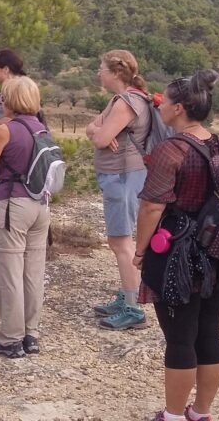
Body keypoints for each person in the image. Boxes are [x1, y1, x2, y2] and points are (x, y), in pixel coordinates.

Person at [133, 71, 219, 421]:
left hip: (176, 253)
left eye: (164, 101)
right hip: (218, 250)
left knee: (180, 339)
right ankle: (201, 412)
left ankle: (173, 415)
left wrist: (140, 250)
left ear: (179, 108)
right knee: (209, 334)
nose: (160, 106)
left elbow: (152, 206)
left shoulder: (172, 149)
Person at [0, 76, 51, 359]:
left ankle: (10, 338)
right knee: (33, 272)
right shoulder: (42, 128)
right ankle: (31, 334)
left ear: (10, 101)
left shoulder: (4, 131)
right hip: (40, 205)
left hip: (12, 204)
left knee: (9, 273)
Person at [86, 50, 152, 330]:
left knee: (121, 242)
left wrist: (99, 132)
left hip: (122, 177)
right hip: (123, 176)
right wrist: (97, 130)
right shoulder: (126, 98)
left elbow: (100, 137)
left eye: (101, 68)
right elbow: (92, 129)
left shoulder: (125, 102)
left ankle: (133, 308)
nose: (98, 73)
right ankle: (128, 295)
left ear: (115, 72)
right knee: (121, 241)